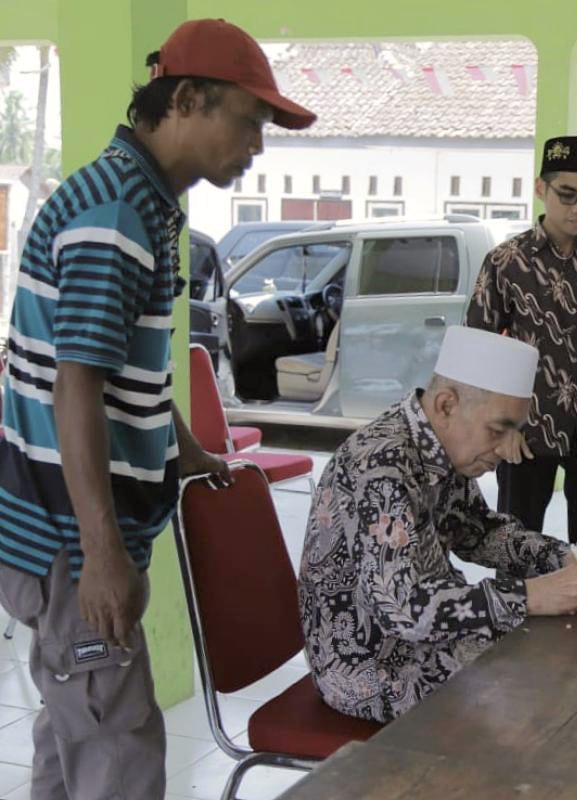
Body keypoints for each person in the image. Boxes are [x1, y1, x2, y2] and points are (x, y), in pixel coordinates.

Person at [0, 19, 315, 799]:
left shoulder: (144, 202)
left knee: (74, 737)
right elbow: (76, 382)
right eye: (250, 122)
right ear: (187, 100)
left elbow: (126, 374)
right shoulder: (114, 216)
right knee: (120, 751)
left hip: (74, 530)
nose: (258, 145)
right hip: (70, 540)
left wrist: (183, 449)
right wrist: (101, 555)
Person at [299, 326, 577, 722]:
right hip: (369, 665)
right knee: (550, 684)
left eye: (515, 433)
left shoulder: (437, 446)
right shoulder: (381, 465)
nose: (507, 451)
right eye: (497, 431)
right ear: (447, 405)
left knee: (565, 655)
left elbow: (479, 531)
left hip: (423, 641)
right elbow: (404, 610)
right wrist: (529, 596)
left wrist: (565, 558)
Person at [466, 135, 577, 552]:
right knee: (517, 548)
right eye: (567, 195)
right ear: (542, 189)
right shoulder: (507, 262)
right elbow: (479, 352)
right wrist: (498, 427)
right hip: (525, 434)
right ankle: (520, 617)